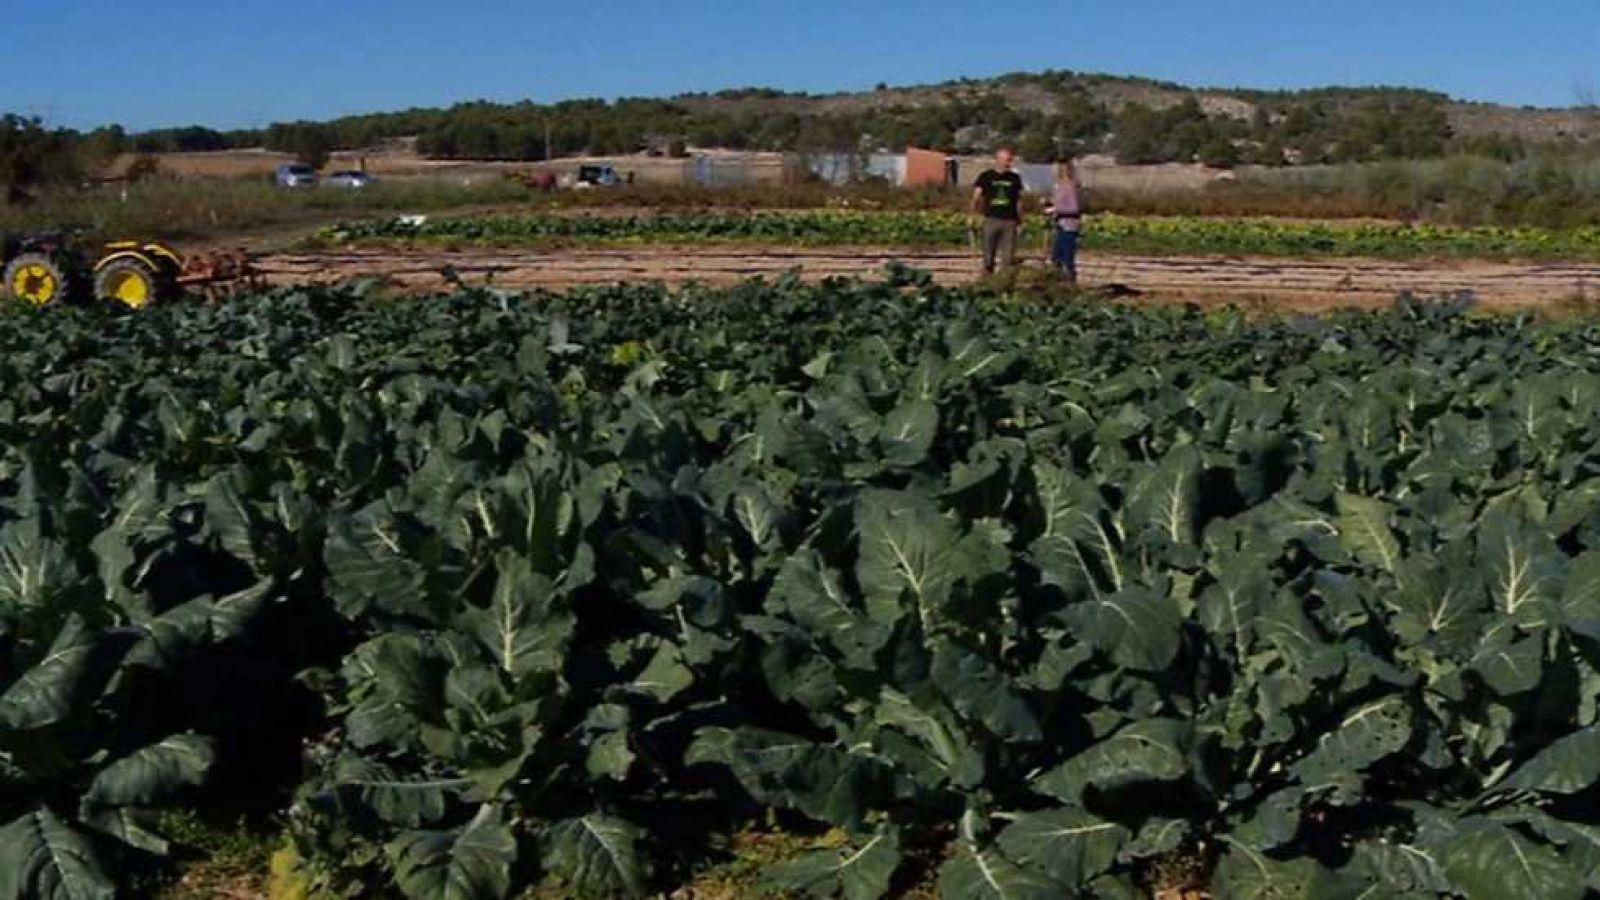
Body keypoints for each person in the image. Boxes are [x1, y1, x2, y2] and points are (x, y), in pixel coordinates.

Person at [970, 148, 1026, 275]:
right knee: (988, 256)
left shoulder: (1015, 178)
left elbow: (1019, 201)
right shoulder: (985, 176)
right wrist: (972, 216)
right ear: (998, 160)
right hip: (991, 219)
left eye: (1010, 160)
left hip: (1010, 221)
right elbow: (976, 198)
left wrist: (1021, 221)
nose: (1008, 163)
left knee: (1008, 257)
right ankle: (987, 281)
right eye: (1006, 160)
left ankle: (1004, 283)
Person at [1048, 160, 1083, 286]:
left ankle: (1070, 282)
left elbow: (1074, 208)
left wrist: (1056, 209)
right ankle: (1058, 282)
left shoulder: (1070, 186)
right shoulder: (1059, 186)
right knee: (1056, 257)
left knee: (1067, 258)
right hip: (1060, 225)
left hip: (1069, 226)